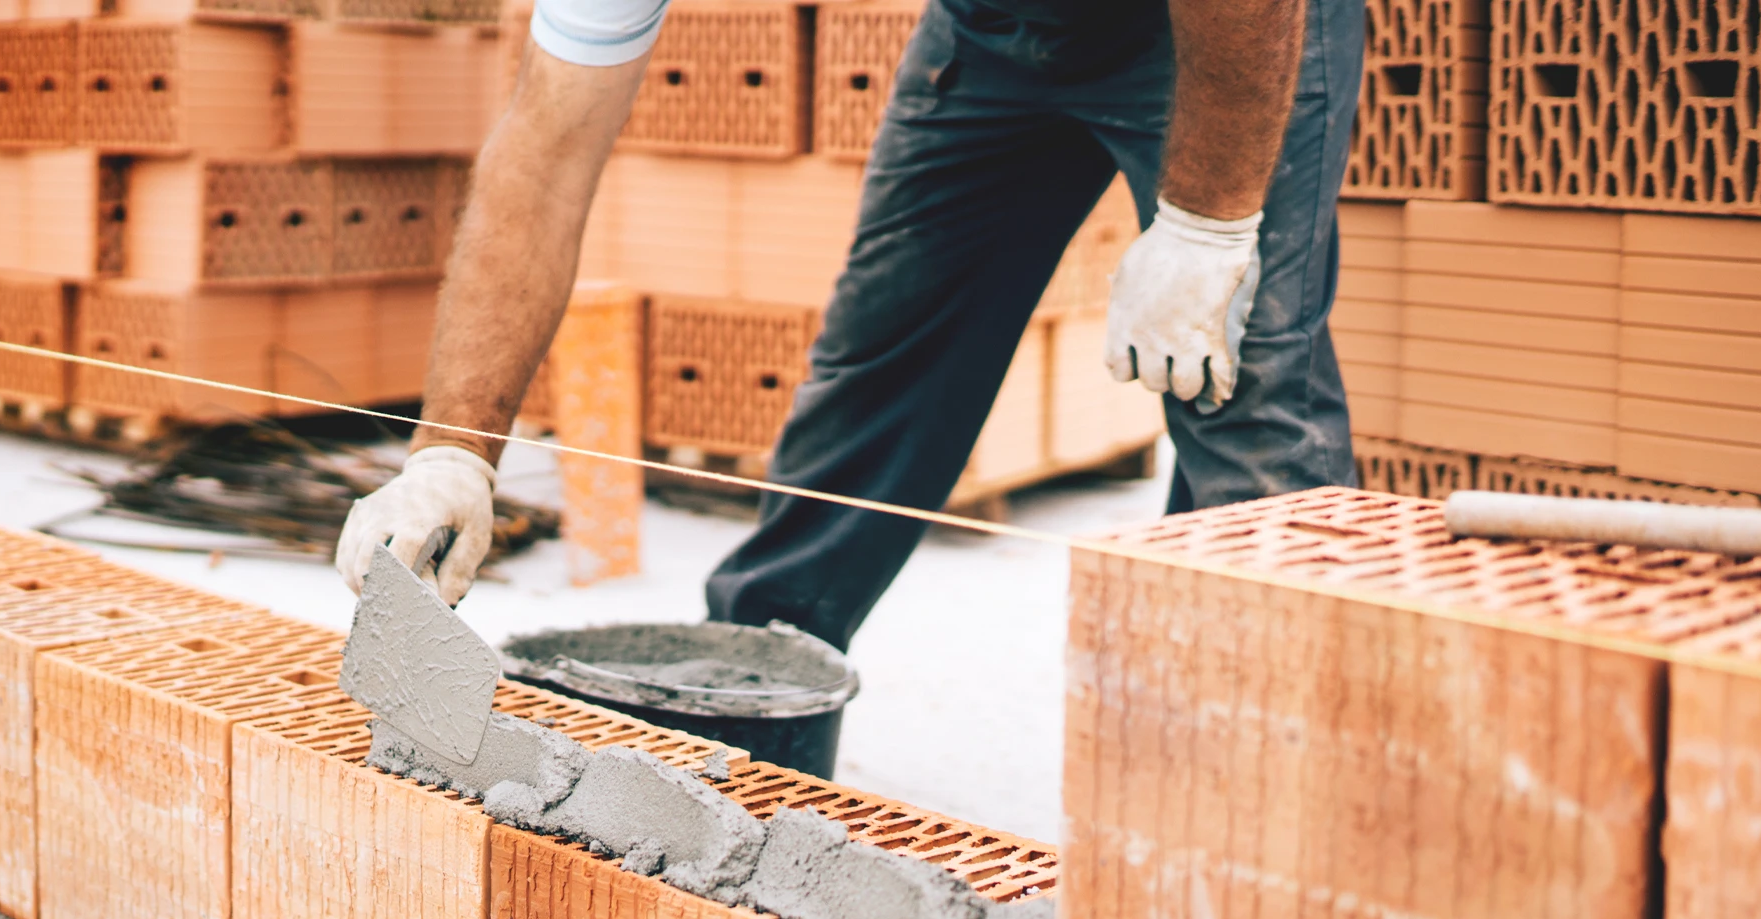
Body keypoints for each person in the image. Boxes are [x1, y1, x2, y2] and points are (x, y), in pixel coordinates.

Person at [336, 0, 1362, 650]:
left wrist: (1203, 224)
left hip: (1224, 27)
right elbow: (543, 153)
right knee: (875, 367)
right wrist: (452, 453)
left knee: (1243, 396)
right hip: (992, 30)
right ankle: (751, 717)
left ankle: (1290, 835)